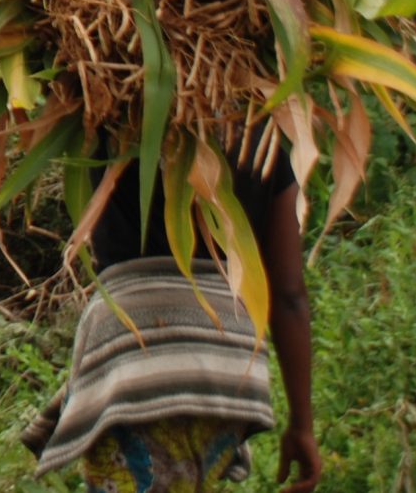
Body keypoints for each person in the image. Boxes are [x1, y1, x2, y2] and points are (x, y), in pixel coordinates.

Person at [24, 144, 320, 493]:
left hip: (132, 357)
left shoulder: (112, 116)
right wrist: (301, 424)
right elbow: (289, 296)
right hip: (228, 364)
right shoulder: (263, 142)